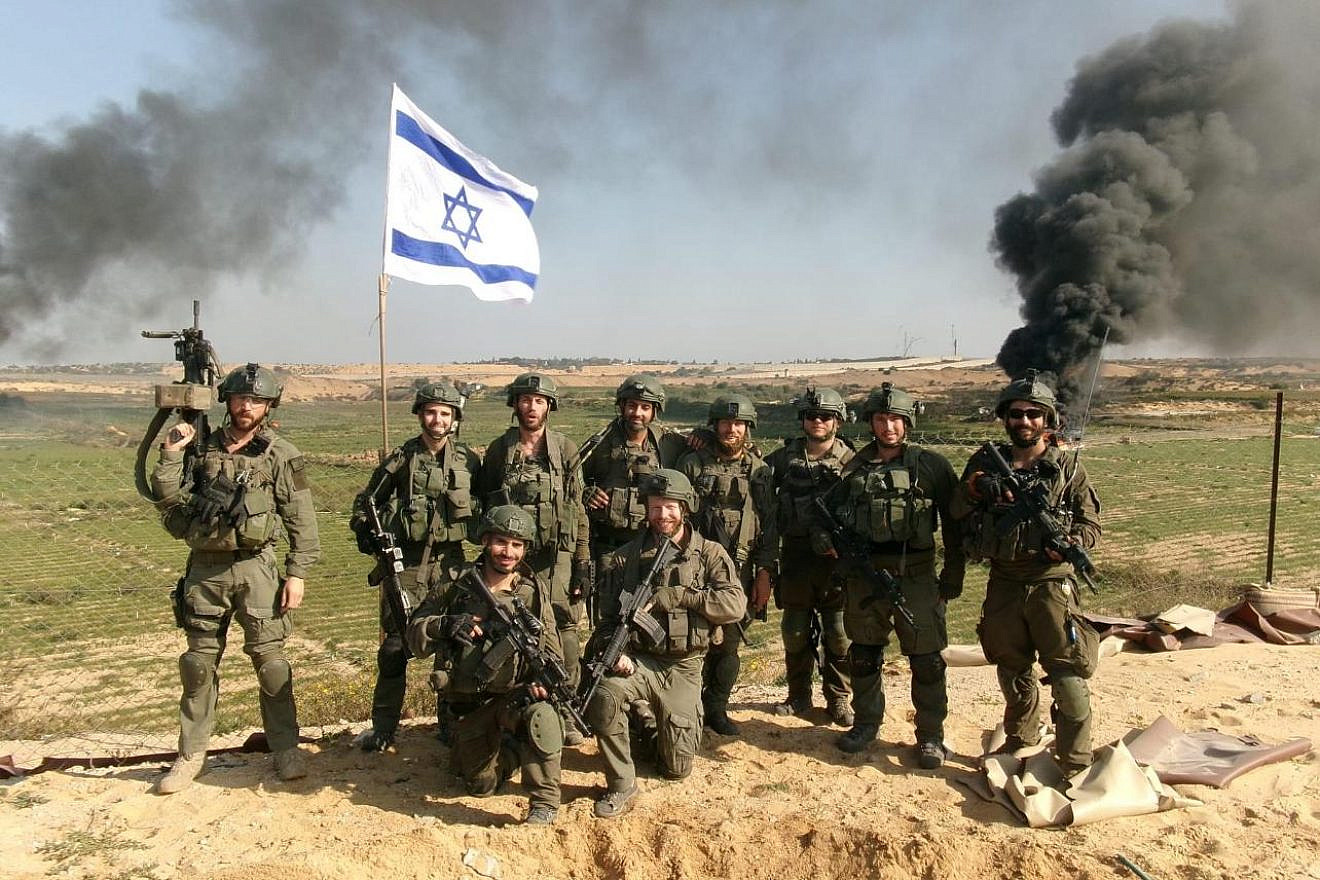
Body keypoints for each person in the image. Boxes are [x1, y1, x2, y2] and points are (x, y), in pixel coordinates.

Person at [150, 363, 321, 793]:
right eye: (241, 399)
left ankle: (285, 749)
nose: (247, 407)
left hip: (257, 570)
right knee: (197, 666)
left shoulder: (280, 453)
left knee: (272, 664)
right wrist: (172, 451)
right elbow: (165, 495)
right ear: (227, 401)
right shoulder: (199, 446)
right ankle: (190, 756)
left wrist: (296, 573)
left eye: (257, 401)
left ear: (268, 406)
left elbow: (301, 520)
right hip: (205, 570)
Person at [952, 370, 1102, 776]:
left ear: (1047, 420)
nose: (1024, 421)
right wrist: (980, 488)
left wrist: (1070, 543)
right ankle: (1021, 741)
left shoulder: (1068, 468)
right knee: (1012, 670)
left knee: (1068, 677)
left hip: (1052, 585)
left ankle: (1074, 763)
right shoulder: (985, 463)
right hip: (1004, 582)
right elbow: (956, 509)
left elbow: (1091, 525)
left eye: (1034, 413)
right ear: (1005, 417)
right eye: (1016, 413)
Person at [815, 383, 964, 769]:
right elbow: (824, 514)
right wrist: (826, 541)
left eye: (895, 418)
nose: (888, 427)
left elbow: (955, 523)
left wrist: (952, 576)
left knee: (927, 660)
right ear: (871, 423)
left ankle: (931, 736)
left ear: (907, 422)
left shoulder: (931, 466)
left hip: (915, 574)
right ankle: (866, 723)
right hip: (865, 576)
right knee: (863, 655)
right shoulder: (853, 467)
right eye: (881, 419)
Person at [583, 469, 746, 818]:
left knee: (676, 769)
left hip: (685, 665)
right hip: (640, 660)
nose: (662, 516)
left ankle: (647, 720)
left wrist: (684, 597)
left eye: (670, 507)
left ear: (684, 508)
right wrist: (615, 651)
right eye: (655, 507)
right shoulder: (624, 558)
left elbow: (735, 605)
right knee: (605, 692)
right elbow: (606, 623)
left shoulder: (710, 554)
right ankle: (621, 783)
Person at [405, 506, 564, 825]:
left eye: (517, 545)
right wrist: (445, 625)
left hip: (514, 697)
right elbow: (414, 635)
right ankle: (511, 751)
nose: (508, 552)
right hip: (468, 705)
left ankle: (544, 801)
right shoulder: (456, 584)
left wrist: (543, 682)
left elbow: (553, 652)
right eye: (501, 542)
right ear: (486, 541)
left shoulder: (532, 592)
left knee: (543, 714)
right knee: (479, 785)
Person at [349, 381, 480, 751]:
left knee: (452, 644)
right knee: (394, 648)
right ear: (421, 415)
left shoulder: (468, 460)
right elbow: (366, 503)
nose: (437, 420)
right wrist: (367, 534)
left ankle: (450, 725)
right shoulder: (402, 458)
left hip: (451, 564)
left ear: (454, 419)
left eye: (445, 413)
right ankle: (384, 728)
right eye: (431, 412)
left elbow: (486, 505)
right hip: (406, 563)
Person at [477, 372, 591, 743]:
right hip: (513, 560)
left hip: (557, 558)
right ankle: (520, 711)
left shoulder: (566, 450)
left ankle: (568, 710)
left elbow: (579, 510)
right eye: (525, 399)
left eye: (539, 400)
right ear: (515, 405)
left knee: (566, 634)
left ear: (549, 406)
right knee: (515, 633)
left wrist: (582, 564)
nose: (531, 406)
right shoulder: (500, 450)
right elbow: (488, 507)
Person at [676, 394, 777, 737]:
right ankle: (687, 708)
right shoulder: (692, 464)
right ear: (714, 425)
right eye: (725, 423)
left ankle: (716, 707)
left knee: (729, 645)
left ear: (748, 428)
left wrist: (764, 573)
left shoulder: (759, 471)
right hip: (695, 568)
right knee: (688, 641)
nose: (731, 430)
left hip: (742, 568)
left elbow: (768, 525)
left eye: (738, 424)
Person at [764, 386, 855, 726]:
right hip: (796, 557)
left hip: (835, 559)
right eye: (812, 416)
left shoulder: (852, 461)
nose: (818, 421)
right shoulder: (784, 459)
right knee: (795, 630)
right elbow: (749, 470)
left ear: (838, 421)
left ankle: (839, 698)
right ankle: (798, 694)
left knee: (838, 633)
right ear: (803, 419)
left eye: (826, 416)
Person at [581, 374, 690, 560]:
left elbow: (710, 449)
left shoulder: (668, 443)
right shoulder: (600, 444)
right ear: (622, 406)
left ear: (655, 411)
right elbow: (569, 480)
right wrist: (586, 492)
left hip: (652, 549)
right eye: (632, 405)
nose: (637, 413)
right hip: (607, 549)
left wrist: (705, 436)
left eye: (645, 407)